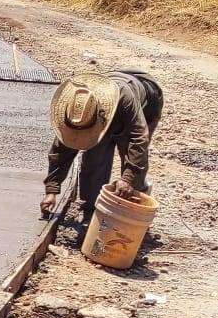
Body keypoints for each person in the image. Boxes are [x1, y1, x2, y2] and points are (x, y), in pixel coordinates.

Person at [40, 69, 164, 218]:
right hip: (104, 110)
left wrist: (127, 180)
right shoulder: (77, 107)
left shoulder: (123, 99)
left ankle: (136, 208)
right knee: (94, 157)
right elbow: (61, 150)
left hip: (147, 102)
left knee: (133, 164)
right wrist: (51, 190)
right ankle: (92, 209)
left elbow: (138, 140)